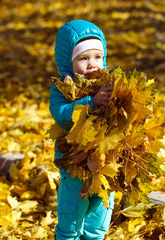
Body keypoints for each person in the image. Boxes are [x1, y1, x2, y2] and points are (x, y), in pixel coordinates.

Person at [49, 19, 115, 240]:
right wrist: (91, 102)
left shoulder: (109, 84)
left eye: (98, 57)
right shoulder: (62, 88)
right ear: (69, 61)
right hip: (75, 163)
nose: (93, 64)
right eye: (83, 58)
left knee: (99, 217)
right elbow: (62, 113)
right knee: (72, 215)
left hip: (105, 164)